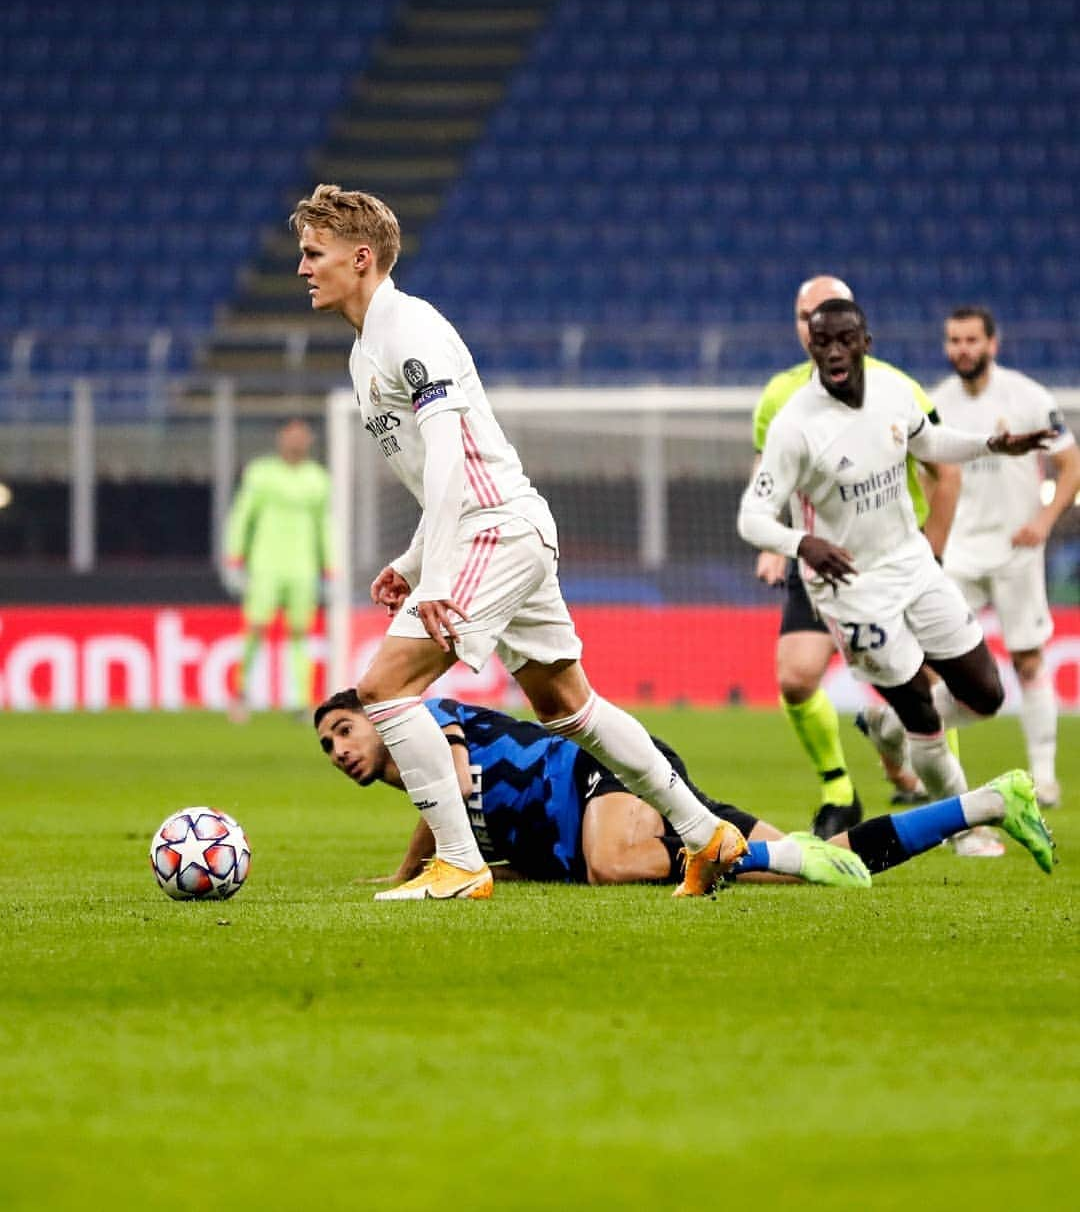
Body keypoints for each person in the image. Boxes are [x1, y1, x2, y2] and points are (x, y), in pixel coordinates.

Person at [291, 183, 745, 901]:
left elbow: (449, 457)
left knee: (383, 690)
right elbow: (443, 468)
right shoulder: (362, 354)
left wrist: (437, 575)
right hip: (504, 526)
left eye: (315, 253)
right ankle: (705, 832)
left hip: (492, 530)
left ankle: (461, 863)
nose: (303, 268)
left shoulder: (411, 330)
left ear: (362, 257)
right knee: (569, 707)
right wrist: (413, 562)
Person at [737, 297, 1056, 854]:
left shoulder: (892, 392)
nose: (834, 351)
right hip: (853, 590)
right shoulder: (796, 427)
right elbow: (751, 518)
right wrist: (803, 543)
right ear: (810, 347)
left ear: (866, 341)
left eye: (844, 339)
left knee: (987, 694)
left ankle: (885, 726)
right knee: (925, 720)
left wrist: (992, 446)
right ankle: (965, 831)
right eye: (822, 342)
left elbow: (930, 444)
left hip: (911, 562)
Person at [313, 689, 1054, 886]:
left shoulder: (415, 717)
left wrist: (434, 863)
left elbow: (442, 760)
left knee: (610, 864)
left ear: (375, 718)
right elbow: (437, 810)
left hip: (594, 776)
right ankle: (989, 802)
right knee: (824, 861)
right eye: (327, 745)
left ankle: (730, 857)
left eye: (345, 728)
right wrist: (414, 868)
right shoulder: (429, 797)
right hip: (604, 819)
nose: (339, 748)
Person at [751, 275, 961, 837]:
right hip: (823, 562)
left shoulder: (897, 387)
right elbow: (768, 474)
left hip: (896, 556)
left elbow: (944, 468)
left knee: (925, 679)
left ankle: (955, 811)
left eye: (824, 313)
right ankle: (839, 793)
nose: (813, 325)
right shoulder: (780, 397)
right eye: (803, 316)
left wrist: (933, 551)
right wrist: (775, 543)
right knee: (795, 677)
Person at [860, 307, 1080, 808]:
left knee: (1028, 660)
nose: (962, 348)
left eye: (971, 340)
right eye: (954, 340)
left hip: (1016, 550)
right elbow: (923, 474)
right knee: (934, 668)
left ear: (992, 344)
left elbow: (1072, 464)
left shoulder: (1028, 397)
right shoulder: (934, 403)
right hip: (957, 553)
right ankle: (925, 767)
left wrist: (1044, 523)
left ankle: (1043, 778)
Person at [224, 418, 333, 721]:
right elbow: (242, 516)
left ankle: (302, 701)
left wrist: (330, 567)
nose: (297, 442)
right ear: (281, 439)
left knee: (300, 633)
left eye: (302, 436)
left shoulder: (318, 479)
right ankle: (240, 693)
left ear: (309, 441)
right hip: (265, 565)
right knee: (256, 628)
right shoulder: (261, 474)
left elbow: (325, 525)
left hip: (303, 567)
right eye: (291, 436)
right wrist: (235, 557)